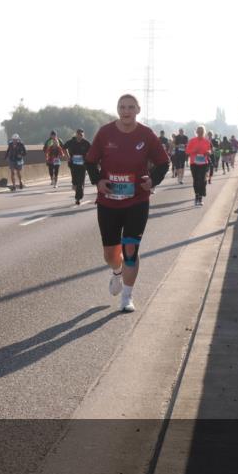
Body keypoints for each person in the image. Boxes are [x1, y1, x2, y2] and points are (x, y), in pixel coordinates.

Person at [86, 94, 170, 313]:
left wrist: (153, 180)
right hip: (108, 203)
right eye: (122, 107)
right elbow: (90, 160)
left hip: (136, 202)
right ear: (117, 109)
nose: (126, 111)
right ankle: (116, 272)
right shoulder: (105, 133)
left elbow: (163, 162)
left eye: (131, 107)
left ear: (138, 110)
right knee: (110, 255)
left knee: (130, 249)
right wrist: (98, 180)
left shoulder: (146, 135)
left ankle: (127, 296)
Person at [186, 125, 213, 206]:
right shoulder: (192, 141)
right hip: (194, 163)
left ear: (204, 132)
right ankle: (197, 196)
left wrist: (208, 152)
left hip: (203, 163)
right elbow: (187, 151)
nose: (200, 133)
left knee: (202, 180)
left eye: (202, 132)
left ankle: (200, 198)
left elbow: (210, 150)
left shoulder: (207, 141)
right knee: (196, 180)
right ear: (196, 132)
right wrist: (194, 150)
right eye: (199, 132)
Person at [64, 128, 91, 205]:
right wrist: (68, 157)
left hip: (82, 165)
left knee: (80, 182)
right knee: (75, 183)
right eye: (78, 135)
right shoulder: (71, 142)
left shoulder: (86, 143)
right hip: (73, 165)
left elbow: (92, 151)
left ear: (83, 135)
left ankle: (78, 198)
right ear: (76, 134)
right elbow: (64, 148)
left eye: (81, 135)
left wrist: (88, 159)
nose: (80, 136)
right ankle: (79, 191)